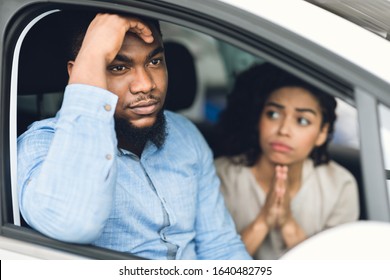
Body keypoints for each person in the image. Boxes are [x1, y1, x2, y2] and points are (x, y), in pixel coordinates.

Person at [17, 13, 251, 260]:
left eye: (154, 62)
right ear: (80, 72)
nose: (146, 84)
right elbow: (74, 223)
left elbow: (220, 247)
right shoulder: (39, 147)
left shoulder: (185, 134)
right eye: (118, 67)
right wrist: (93, 55)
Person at [214, 63, 359, 259]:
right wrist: (263, 221)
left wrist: (288, 224)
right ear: (259, 120)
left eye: (302, 120)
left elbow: (333, 272)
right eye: (273, 114)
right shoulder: (221, 175)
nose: (283, 130)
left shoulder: (340, 185)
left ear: (322, 133)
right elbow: (214, 268)